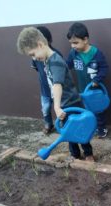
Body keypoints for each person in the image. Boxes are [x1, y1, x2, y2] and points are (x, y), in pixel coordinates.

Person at [17, 27, 95, 161]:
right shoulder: (47, 60)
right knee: (68, 132)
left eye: (33, 54)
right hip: (63, 104)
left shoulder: (55, 61)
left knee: (79, 129)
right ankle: (75, 155)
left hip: (70, 103)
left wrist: (57, 106)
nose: (34, 58)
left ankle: (88, 155)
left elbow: (57, 84)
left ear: (40, 45)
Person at [66, 22, 109, 138]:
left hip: (96, 89)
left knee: (98, 109)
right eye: (71, 43)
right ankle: (92, 126)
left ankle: (101, 127)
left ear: (85, 39)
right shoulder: (73, 54)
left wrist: (97, 80)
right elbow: (67, 65)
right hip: (82, 89)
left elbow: (104, 68)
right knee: (86, 109)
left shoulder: (96, 53)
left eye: (76, 42)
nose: (73, 46)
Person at [31, 26, 63, 135]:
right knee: (46, 108)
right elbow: (36, 68)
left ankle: (63, 124)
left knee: (59, 108)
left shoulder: (56, 56)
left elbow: (59, 79)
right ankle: (49, 124)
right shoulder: (36, 57)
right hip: (45, 90)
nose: (34, 57)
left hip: (57, 90)